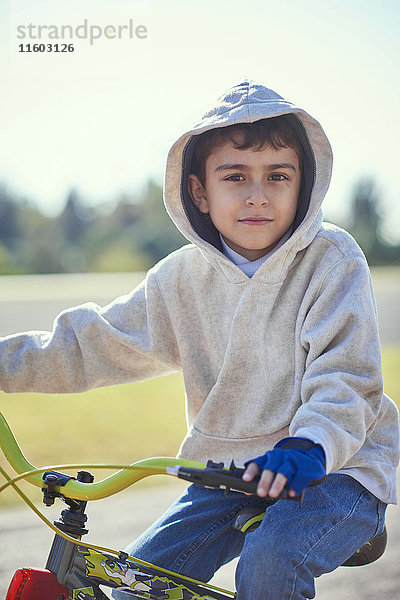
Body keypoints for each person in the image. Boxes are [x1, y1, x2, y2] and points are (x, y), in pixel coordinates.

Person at [0, 81, 398, 600]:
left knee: (270, 564)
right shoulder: (179, 280)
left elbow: (345, 378)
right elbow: (92, 344)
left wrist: (308, 447)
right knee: (135, 584)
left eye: (278, 176)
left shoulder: (331, 261)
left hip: (333, 469)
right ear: (199, 193)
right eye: (236, 177)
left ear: (304, 186)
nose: (258, 193)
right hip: (228, 475)